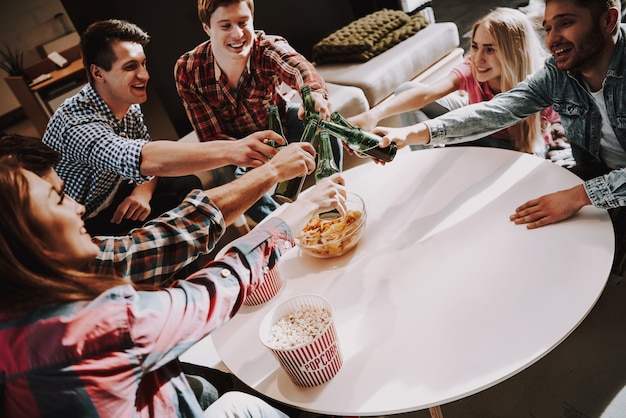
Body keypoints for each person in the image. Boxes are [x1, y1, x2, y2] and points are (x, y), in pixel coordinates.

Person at [0, 154, 347, 417]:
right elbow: (207, 295)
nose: (78, 208)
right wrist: (287, 220)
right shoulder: (96, 325)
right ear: (23, 239)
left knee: (216, 394)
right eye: (58, 198)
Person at [375, 0, 626, 280]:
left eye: (566, 23)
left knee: (599, 272)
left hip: (608, 187)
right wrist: (412, 133)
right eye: (548, 27)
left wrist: (579, 196)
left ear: (608, 20)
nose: (553, 39)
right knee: (523, 230)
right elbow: (498, 110)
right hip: (594, 174)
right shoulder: (558, 73)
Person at [42, 19, 285, 236]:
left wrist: (142, 192)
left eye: (143, 64)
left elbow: (146, 155)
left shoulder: (125, 102)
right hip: (79, 221)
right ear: (98, 72)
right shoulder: (76, 124)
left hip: (116, 189)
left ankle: (223, 244)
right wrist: (234, 150)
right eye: (130, 67)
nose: (144, 75)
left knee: (185, 184)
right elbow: (141, 158)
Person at [175, 0, 342, 223]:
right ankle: (284, 225)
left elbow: (298, 67)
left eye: (243, 22)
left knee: (326, 126)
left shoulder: (266, 47)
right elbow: (210, 137)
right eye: (225, 26)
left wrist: (314, 95)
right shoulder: (188, 69)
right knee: (225, 171)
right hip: (233, 147)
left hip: (280, 128)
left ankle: (334, 198)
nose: (237, 34)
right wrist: (261, 157)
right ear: (207, 27)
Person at [350, 7, 562, 156]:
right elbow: (426, 95)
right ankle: (425, 158)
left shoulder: (541, 82)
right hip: (471, 130)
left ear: (514, 53)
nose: (477, 58)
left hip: (514, 148)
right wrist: (373, 115)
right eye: (476, 46)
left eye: (490, 49)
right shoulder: (472, 69)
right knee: (407, 89)